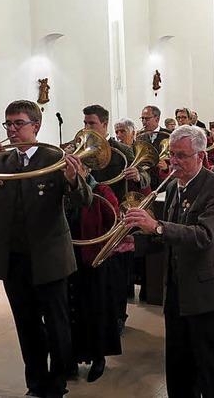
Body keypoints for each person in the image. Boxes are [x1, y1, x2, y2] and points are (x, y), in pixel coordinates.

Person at [0, 100, 92, 397]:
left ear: (36, 126)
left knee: (57, 325)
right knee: (26, 324)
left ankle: (57, 384)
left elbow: (84, 201)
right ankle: (35, 383)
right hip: (12, 258)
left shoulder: (54, 158)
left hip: (49, 259)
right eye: (8, 124)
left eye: (19, 123)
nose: (12, 130)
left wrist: (73, 180)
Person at [124, 125, 214, 397]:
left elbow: (203, 236)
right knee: (178, 363)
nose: (174, 162)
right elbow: (168, 236)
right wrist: (131, 238)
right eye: (172, 154)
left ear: (201, 156)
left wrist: (157, 227)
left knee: (211, 367)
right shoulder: (174, 186)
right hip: (177, 289)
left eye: (182, 156)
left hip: (208, 291)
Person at [83, 105, 150, 334]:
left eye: (91, 123)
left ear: (104, 124)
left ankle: (119, 315)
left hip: (115, 215)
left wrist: (138, 174)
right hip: (89, 216)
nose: (87, 128)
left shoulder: (121, 150)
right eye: (85, 123)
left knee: (118, 271)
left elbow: (145, 174)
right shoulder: (80, 148)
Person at [65, 169, 122, 383]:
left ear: (86, 169)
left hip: (92, 259)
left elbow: (114, 219)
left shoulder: (101, 190)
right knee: (69, 309)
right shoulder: (61, 190)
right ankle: (69, 358)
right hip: (66, 258)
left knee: (96, 309)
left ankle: (98, 357)